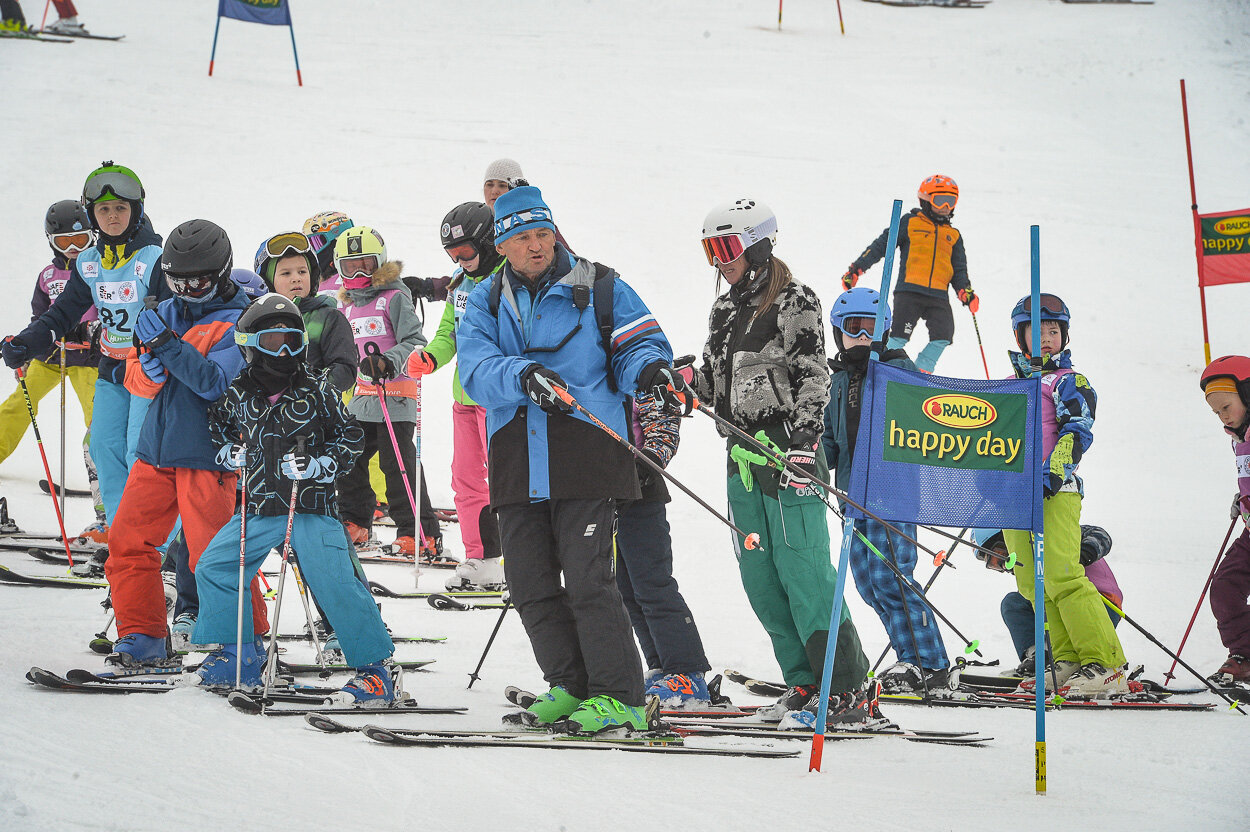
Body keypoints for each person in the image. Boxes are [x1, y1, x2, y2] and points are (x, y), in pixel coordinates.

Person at [458, 185, 682, 732]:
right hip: (515, 455)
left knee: (588, 580)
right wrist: (522, 375)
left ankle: (620, 696)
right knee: (531, 582)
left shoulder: (601, 285)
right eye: (522, 238)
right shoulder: (485, 299)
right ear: (503, 245)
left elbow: (638, 343)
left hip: (587, 448)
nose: (536, 246)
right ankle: (570, 686)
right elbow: (474, 370)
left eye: (543, 234)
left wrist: (650, 369)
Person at [688, 198, 881, 728]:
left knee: (804, 572)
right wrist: (688, 384)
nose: (718, 261)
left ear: (757, 244)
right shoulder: (725, 310)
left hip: (787, 451)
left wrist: (803, 439)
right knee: (761, 575)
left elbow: (813, 375)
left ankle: (844, 690)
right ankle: (803, 680)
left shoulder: (795, 301)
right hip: (741, 455)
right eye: (710, 250)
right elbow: (717, 383)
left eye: (725, 248)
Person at [191, 294, 396, 700]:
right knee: (215, 567)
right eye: (272, 342)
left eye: (292, 340)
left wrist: (321, 464)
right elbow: (217, 428)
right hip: (259, 507)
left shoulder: (316, 390)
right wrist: (228, 454)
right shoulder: (237, 394)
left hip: (309, 507)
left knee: (335, 582)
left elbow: (350, 436)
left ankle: (376, 672)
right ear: (249, 345)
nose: (284, 351)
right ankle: (241, 655)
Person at [102, 219, 266, 667]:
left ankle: (243, 642)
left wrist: (165, 347)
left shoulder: (243, 320)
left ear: (223, 271)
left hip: (207, 454)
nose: (189, 289)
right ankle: (143, 635)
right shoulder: (165, 310)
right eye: (178, 280)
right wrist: (144, 374)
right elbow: (136, 375)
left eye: (199, 280)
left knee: (214, 552)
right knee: (127, 541)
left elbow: (214, 383)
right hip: (156, 450)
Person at [2, 163, 167, 528]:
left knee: (138, 452)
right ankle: (120, 531)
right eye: (103, 209)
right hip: (109, 369)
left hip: (147, 371)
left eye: (120, 208)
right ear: (92, 212)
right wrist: (26, 345)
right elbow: (60, 315)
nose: (112, 217)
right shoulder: (89, 262)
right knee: (103, 449)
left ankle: (157, 543)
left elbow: (173, 316)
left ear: (136, 210)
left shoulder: (154, 258)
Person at [821, 287, 950, 694]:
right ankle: (908, 660)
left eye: (870, 327)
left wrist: (893, 377)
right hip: (852, 495)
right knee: (867, 581)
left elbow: (925, 418)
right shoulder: (836, 380)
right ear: (838, 331)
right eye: (852, 327)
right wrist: (810, 465)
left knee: (892, 575)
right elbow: (828, 439)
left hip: (893, 491)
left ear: (886, 328)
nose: (861, 336)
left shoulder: (899, 369)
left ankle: (930, 663)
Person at [1002, 293, 1127, 696]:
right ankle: (1069, 655)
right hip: (1013, 494)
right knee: (1031, 582)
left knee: (1062, 574)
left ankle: (1106, 662)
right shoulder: (1004, 387)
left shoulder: (1068, 381)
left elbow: (1078, 428)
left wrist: (1053, 472)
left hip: (1055, 490)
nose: (1046, 338)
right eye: (1036, 331)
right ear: (1020, 336)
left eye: (1054, 331)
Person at [407, 202, 506, 590]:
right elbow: (449, 331)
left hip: (497, 398)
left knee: (504, 480)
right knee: (465, 478)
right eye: (452, 254)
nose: (460, 261)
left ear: (489, 242)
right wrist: (431, 357)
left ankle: (520, 555)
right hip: (464, 399)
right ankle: (480, 557)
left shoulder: (506, 281)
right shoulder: (460, 283)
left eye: (465, 252)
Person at [0, 200, 107, 539]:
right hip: (50, 360)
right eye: (64, 242)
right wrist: (29, 349)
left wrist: (94, 333)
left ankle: (107, 511)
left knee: (100, 426)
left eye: (81, 240)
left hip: (88, 362)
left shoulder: (100, 268)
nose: (74, 249)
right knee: (15, 410)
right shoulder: (48, 276)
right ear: (51, 241)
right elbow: (39, 317)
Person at [333, 226, 426, 556]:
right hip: (362, 399)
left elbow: (415, 342)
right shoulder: (345, 307)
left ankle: (418, 531)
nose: (359, 273)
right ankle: (355, 522)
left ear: (380, 264)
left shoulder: (395, 297)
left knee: (395, 463)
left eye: (367, 265)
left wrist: (389, 361)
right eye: (350, 266)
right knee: (349, 458)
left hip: (395, 396)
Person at [618, 386, 713, 706]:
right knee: (625, 588)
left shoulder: (635, 368)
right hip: (605, 492)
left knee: (652, 583)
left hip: (641, 490)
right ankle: (661, 665)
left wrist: (650, 461)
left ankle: (688, 671)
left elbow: (663, 420)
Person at [841, 175, 976, 374]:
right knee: (899, 336)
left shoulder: (953, 235)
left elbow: (959, 270)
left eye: (951, 201)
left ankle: (920, 371)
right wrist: (856, 269)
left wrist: (965, 291)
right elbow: (882, 246)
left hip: (938, 294)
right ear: (926, 200)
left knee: (944, 335)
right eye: (940, 200)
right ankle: (882, 368)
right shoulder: (910, 222)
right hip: (910, 291)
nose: (946, 206)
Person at [973, 526, 1122, 677]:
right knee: (1013, 603)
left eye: (1000, 555)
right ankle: (1040, 657)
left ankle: (1101, 664)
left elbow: (1101, 535)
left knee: (1058, 598)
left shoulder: (1051, 535)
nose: (1005, 566)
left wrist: (1082, 554)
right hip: (1059, 605)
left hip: (1097, 604)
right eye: (995, 565)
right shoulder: (1029, 567)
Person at [1198, 356, 1250, 686]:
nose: (1223, 415)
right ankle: (1245, 654)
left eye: (1227, 406)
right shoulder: (1239, 437)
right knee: (1225, 586)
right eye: (1217, 411)